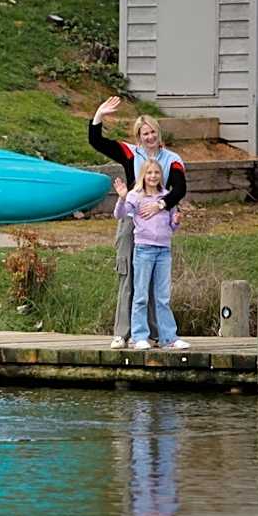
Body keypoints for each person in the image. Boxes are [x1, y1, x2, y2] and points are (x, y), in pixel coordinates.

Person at [90, 96, 187, 349]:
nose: (150, 137)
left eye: (153, 132)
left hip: (157, 223)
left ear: (158, 133)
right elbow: (96, 141)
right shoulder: (131, 153)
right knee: (128, 275)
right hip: (132, 219)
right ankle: (122, 332)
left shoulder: (172, 159)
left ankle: (155, 334)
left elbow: (180, 189)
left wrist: (161, 205)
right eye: (145, 133)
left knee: (154, 281)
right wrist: (99, 115)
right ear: (138, 137)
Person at [113, 159, 190, 350]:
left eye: (156, 173)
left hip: (163, 251)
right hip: (144, 250)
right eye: (149, 173)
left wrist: (176, 222)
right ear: (143, 175)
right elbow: (119, 214)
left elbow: (171, 226)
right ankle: (139, 336)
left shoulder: (166, 197)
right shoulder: (135, 195)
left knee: (163, 297)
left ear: (161, 176)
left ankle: (169, 338)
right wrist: (122, 198)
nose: (153, 176)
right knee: (141, 295)